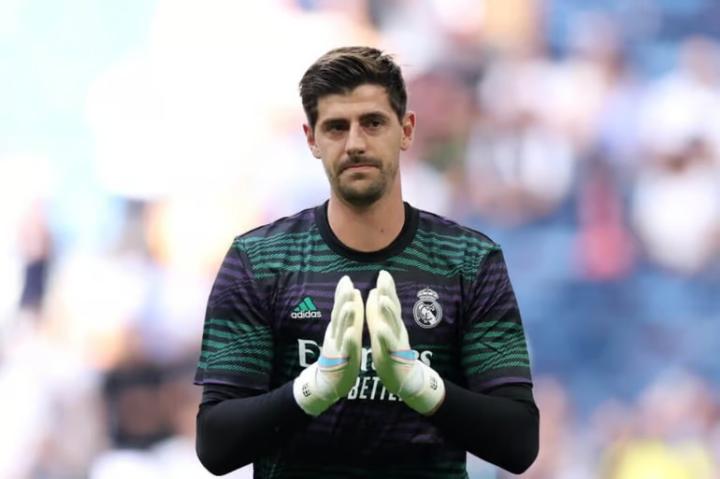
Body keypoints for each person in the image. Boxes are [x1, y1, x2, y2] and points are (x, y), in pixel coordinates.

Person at [194, 46, 539, 478]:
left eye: (373, 123)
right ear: (312, 140)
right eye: (336, 127)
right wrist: (314, 387)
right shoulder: (260, 261)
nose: (355, 143)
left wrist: (421, 385)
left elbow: (519, 442)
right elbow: (216, 446)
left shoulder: (468, 261)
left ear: (406, 130)